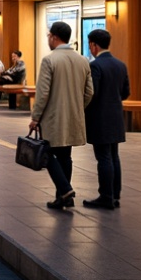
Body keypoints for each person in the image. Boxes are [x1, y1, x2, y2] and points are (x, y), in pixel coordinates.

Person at [29, 21, 93, 210]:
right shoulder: (83, 60)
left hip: (54, 118)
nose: (48, 39)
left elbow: (43, 93)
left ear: (54, 37)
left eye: (48, 35)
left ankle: (65, 189)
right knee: (66, 156)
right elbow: (89, 92)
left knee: (47, 154)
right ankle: (64, 198)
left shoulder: (50, 60)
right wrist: (77, 107)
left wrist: (35, 117)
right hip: (74, 116)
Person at [83, 29, 129, 209]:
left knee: (103, 157)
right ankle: (115, 195)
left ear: (94, 45)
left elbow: (92, 93)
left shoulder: (96, 66)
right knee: (113, 156)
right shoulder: (120, 65)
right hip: (116, 116)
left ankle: (105, 196)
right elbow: (125, 92)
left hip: (100, 118)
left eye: (89, 44)